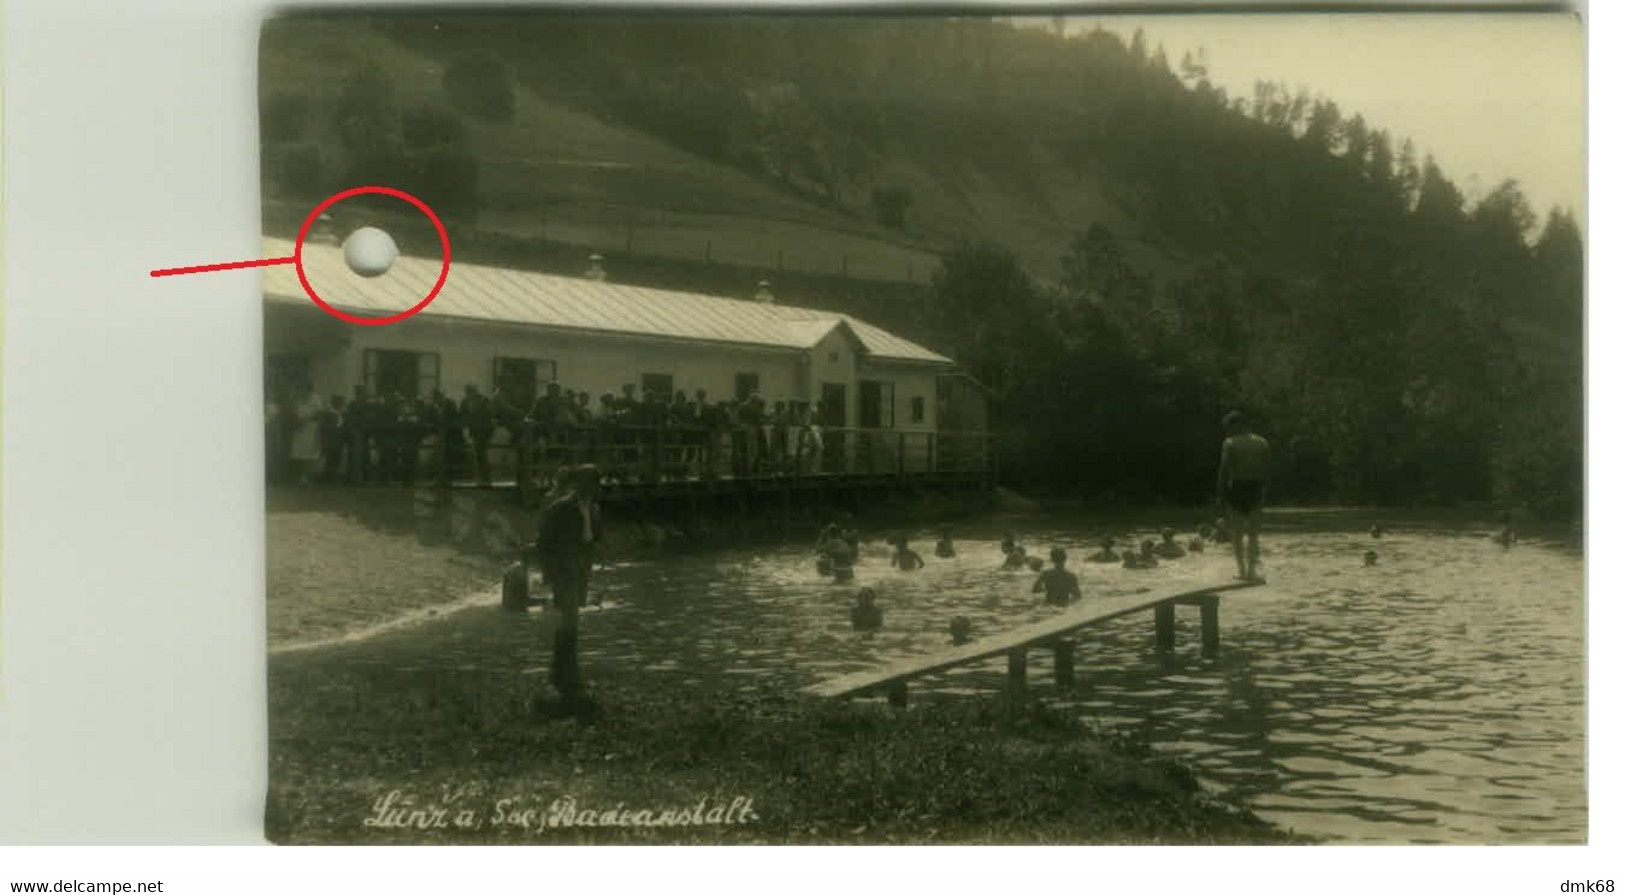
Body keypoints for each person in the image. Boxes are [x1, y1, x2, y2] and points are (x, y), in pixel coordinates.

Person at [532, 464, 605, 719]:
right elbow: (542, 544)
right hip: (564, 571)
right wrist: (550, 574)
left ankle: (560, 674)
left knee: (570, 623)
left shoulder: (593, 509)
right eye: (587, 483)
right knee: (569, 620)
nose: (591, 488)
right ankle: (568, 677)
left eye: (595, 484)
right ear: (578, 483)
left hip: (581, 571)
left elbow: (594, 538)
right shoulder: (561, 507)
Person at [1216, 410, 1271, 583]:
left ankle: (1242, 571)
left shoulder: (1230, 443)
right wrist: (1264, 493)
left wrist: (1220, 495)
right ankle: (1252, 571)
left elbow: (1224, 470)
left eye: (1228, 427)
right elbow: (1267, 470)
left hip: (1237, 487)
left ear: (1235, 425)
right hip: (1255, 487)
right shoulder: (1262, 442)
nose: (1227, 431)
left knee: (1237, 534)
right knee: (1254, 534)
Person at [462, 384, 496, 487]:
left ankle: (486, 479)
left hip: (484, 431)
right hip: (475, 431)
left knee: (481, 454)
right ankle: (482, 479)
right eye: (468, 392)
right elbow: (463, 412)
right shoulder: (466, 401)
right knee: (478, 455)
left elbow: (490, 414)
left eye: (471, 391)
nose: (469, 393)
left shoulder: (483, 400)